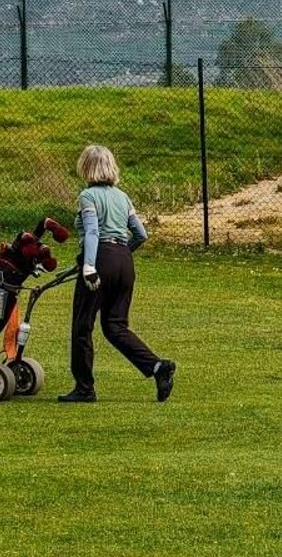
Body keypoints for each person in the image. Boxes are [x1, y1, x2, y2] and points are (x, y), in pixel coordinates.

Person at [59, 144, 176, 404]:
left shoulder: (88, 197)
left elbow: (92, 232)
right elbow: (141, 234)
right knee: (115, 326)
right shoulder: (122, 197)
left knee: (82, 327)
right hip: (124, 260)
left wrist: (90, 266)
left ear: (87, 167)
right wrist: (120, 255)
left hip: (100, 259)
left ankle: (84, 389)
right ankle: (158, 367)